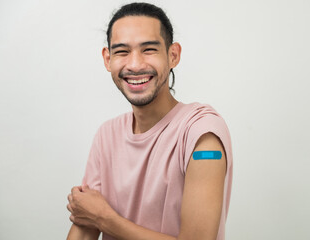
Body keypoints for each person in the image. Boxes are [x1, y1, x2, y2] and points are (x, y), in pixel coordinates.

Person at [66, 2, 233, 240]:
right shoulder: (107, 135)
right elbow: (85, 224)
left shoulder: (202, 134)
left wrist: (105, 219)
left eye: (149, 50)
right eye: (122, 51)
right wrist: (93, 216)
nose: (135, 64)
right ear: (107, 59)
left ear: (173, 55)